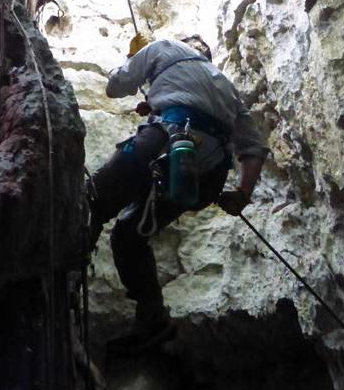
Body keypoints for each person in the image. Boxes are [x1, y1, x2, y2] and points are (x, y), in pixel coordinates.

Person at [87, 34, 270, 335]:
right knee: (129, 235)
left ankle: (71, 250)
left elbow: (114, 86)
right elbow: (253, 150)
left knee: (96, 194)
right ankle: (152, 319)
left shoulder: (164, 46)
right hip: (207, 177)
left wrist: (134, 65)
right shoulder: (228, 89)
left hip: (164, 139)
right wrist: (242, 194)